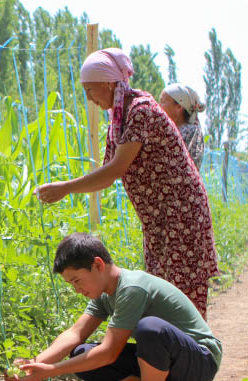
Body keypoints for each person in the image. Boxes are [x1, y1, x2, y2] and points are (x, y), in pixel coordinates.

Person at [35, 48, 218, 319]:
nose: (89, 97)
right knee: (165, 296)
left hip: (181, 215)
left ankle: (197, 358)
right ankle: (171, 359)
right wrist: (68, 188)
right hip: (159, 220)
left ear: (109, 82)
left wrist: (65, 188)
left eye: (90, 89)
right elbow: (107, 175)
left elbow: (115, 170)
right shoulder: (118, 119)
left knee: (182, 297)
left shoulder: (140, 110)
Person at [7, 233, 221, 381]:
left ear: (97, 264)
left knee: (150, 328)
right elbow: (76, 334)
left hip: (199, 359)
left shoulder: (132, 288)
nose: (76, 289)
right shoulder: (104, 294)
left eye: (77, 280)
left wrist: (52, 370)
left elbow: (109, 353)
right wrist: (32, 366)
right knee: (81, 353)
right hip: (167, 360)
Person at [159, 84, 207, 170]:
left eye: (163, 102)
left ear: (178, 107)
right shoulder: (167, 130)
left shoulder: (192, 132)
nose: (159, 106)